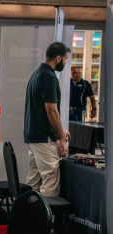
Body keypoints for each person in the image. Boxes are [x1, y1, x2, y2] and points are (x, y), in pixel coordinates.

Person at [24, 42, 71, 199]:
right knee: (50, 180)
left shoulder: (36, 74)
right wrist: (61, 138)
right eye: (65, 58)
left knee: (33, 182)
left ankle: (29, 220)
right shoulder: (49, 77)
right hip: (44, 138)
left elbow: (40, 112)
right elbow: (51, 110)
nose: (65, 62)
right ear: (58, 58)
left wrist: (59, 131)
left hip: (33, 137)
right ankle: (45, 223)